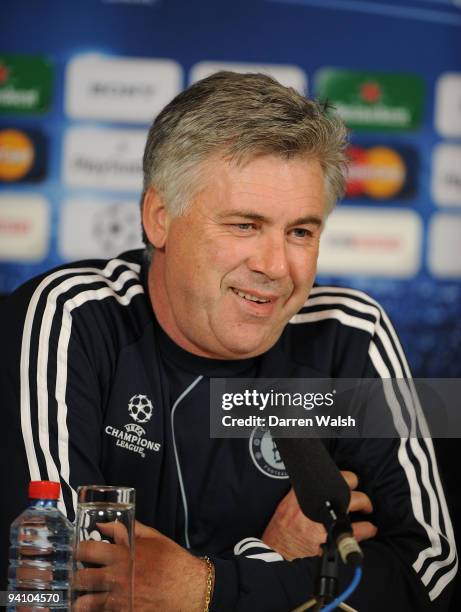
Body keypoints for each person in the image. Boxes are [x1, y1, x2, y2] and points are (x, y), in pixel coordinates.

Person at [0, 71, 457, 611]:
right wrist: (270, 558)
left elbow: (432, 576)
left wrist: (211, 586)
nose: (275, 266)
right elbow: (67, 587)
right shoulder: (69, 316)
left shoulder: (350, 335)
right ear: (159, 218)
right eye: (244, 225)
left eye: (301, 232)